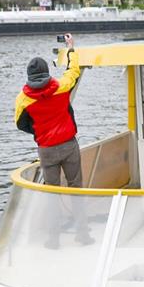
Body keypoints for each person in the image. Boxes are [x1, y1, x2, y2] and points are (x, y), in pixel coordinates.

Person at [15, 33, 92, 246]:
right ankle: (83, 235)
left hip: (47, 149)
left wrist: (40, 131)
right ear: (47, 73)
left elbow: (20, 123)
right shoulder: (61, 86)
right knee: (76, 189)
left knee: (52, 194)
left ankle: (53, 239)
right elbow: (73, 71)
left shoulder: (23, 99)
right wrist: (71, 47)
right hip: (69, 145)